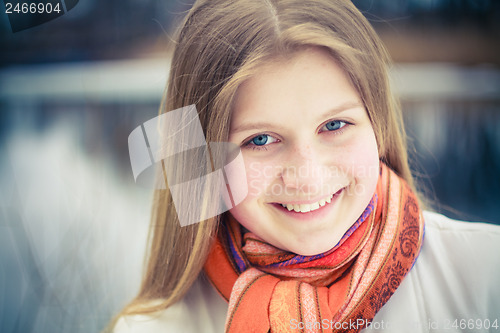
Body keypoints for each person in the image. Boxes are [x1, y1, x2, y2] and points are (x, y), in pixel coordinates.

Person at [111, 0, 500, 332]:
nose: (308, 176)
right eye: (259, 140)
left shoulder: (485, 275)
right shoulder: (156, 327)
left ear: (377, 125)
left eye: (334, 125)